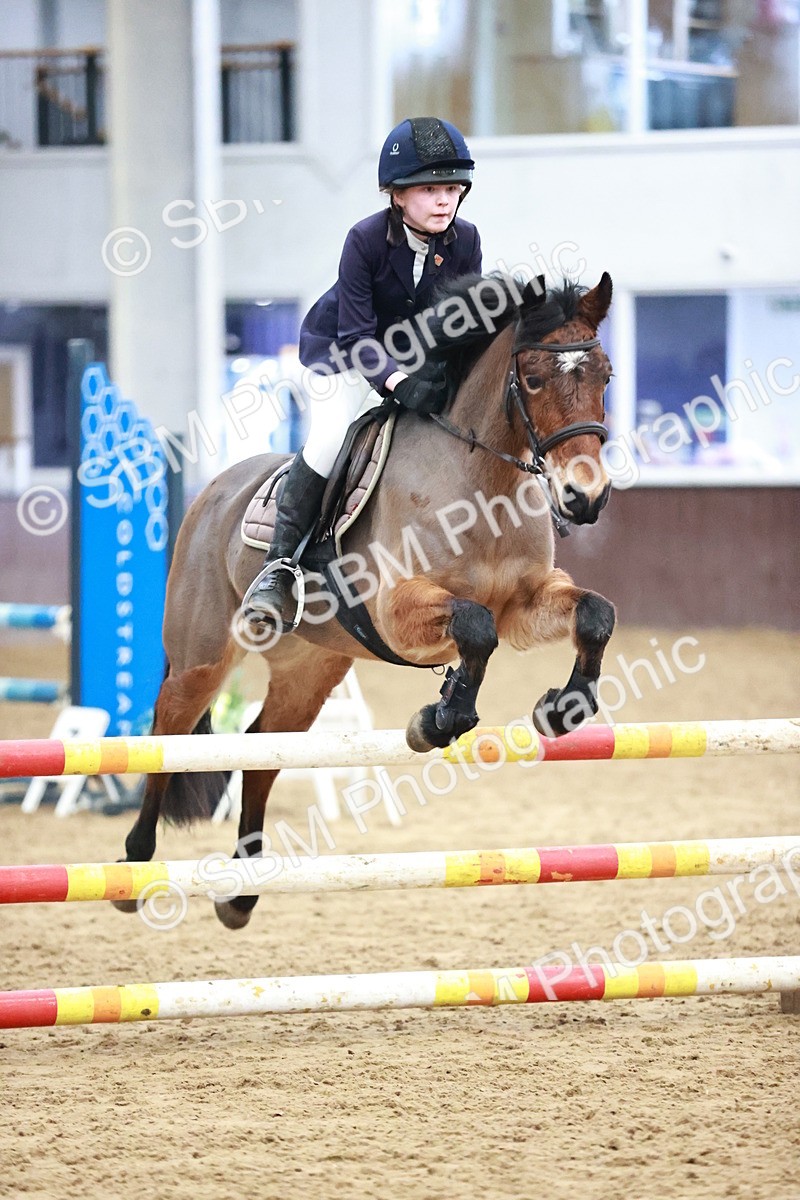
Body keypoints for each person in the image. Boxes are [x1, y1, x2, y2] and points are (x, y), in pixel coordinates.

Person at [244, 116, 482, 629]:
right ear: (397, 195)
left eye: (451, 188)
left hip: (412, 360)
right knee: (331, 438)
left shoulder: (465, 240)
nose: (444, 200)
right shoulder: (366, 240)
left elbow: (462, 323)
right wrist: (400, 384)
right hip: (341, 356)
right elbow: (356, 337)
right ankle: (279, 567)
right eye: (429, 189)